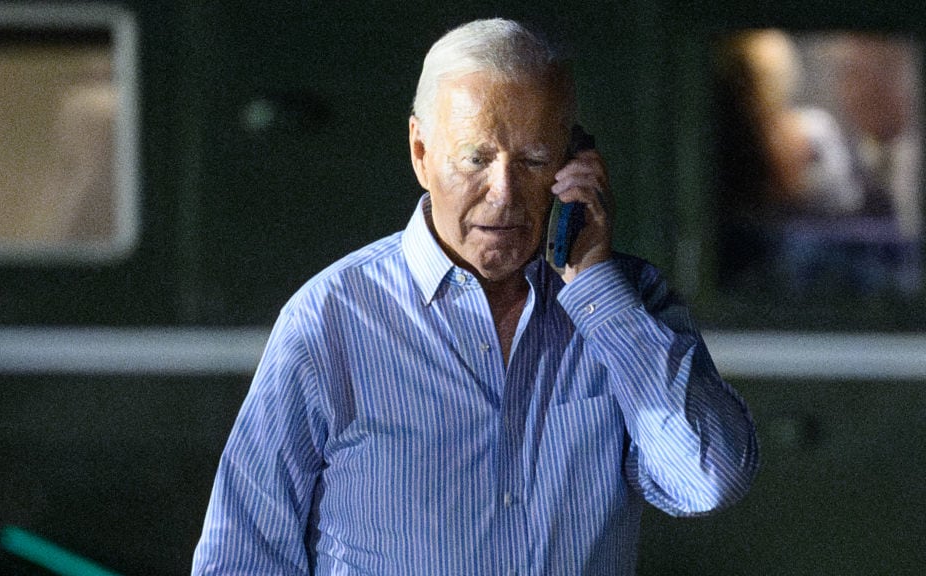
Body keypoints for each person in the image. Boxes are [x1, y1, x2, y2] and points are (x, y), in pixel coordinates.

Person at [193, 18, 759, 575]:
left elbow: (708, 479)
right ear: (421, 152)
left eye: (535, 160)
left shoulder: (627, 303)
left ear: (575, 162)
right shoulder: (330, 320)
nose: (504, 193)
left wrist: (595, 289)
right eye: (476, 158)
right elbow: (240, 557)